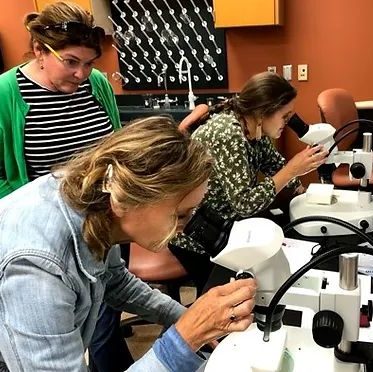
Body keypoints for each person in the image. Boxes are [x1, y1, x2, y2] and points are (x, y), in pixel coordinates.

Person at [0, 117, 257, 371]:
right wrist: (181, 342)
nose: (188, 225)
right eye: (180, 214)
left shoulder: (99, 197)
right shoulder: (37, 271)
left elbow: (115, 281)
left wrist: (185, 317)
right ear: (126, 201)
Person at [0, 2, 129, 371]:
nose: (82, 74)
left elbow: (113, 148)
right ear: (40, 50)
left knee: (104, 316)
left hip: (103, 223)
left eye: (89, 63)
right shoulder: (6, 95)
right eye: (71, 62)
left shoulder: (97, 85)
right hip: (48, 240)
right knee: (63, 331)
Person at [170, 71, 329, 293]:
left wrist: (305, 193)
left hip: (229, 225)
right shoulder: (228, 132)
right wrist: (294, 168)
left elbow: (275, 165)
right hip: (200, 234)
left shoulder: (253, 126)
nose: (287, 122)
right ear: (263, 112)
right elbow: (244, 204)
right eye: (285, 116)